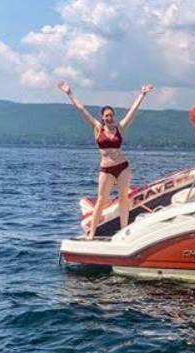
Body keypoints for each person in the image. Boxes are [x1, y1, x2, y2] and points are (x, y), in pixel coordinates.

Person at [58, 80, 154, 237]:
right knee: (101, 200)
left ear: (114, 117)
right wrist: (69, 93)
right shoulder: (97, 128)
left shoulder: (120, 128)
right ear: (102, 118)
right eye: (106, 116)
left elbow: (132, 112)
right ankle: (91, 234)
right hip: (106, 169)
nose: (109, 118)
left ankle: (124, 230)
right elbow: (82, 110)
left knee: (124, 198)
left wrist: (142, 95)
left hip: (122, 166)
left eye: (111, 115)